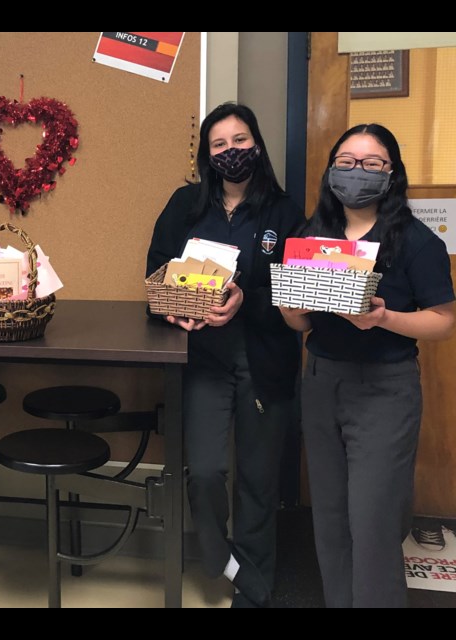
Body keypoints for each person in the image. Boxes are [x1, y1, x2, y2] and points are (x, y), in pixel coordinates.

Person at [279, 124, 455, 608]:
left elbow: (443, 322)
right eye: (346, 161)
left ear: (392, 173)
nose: (357, 172)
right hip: (321, 381)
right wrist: (291, 307)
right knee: (330, 518)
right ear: (331, 169)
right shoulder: (313, 235)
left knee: (373, 523)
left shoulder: (415, 241)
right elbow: (299, 322)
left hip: (385, 390)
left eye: (372, 163)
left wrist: (384, 317)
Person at [145, 102, 305, 608]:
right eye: (219, 144)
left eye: (239, 141)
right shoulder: (184, 204)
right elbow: (155, 277)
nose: (231, 152)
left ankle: (251, 590)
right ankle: (224, 558)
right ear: (206, 154)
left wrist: (244, 298)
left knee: (258, 481)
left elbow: (296, 291)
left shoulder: (283, 212)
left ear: (255, 145)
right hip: (204, 359)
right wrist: (172, 308)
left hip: (264, 358)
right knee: (207, 471)